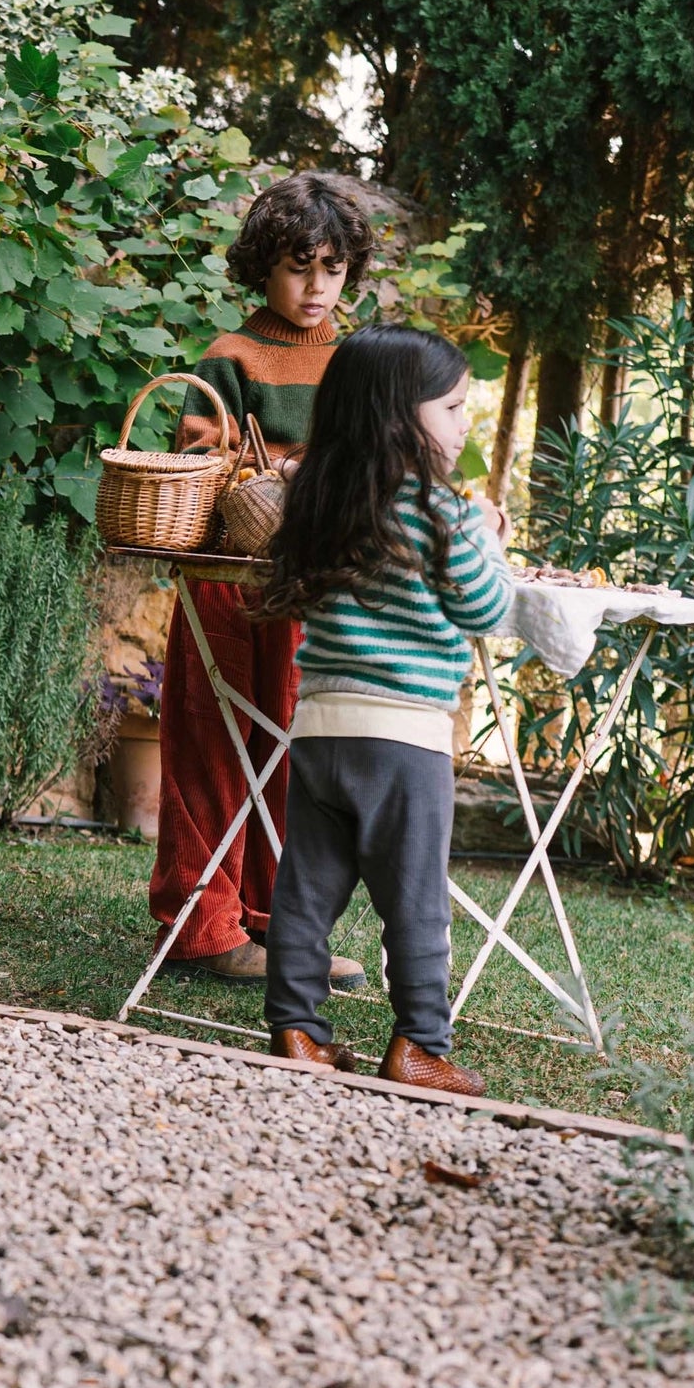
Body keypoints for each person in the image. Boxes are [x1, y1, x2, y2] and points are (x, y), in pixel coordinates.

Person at [257, 324, 514, 1096]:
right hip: (405, 739)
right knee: (415, 904)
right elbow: (488, 610)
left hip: (321, 728)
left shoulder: (317, 501)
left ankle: (298, 1030)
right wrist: (490, 539)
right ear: (400, 415)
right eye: (453, 407)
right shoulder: (444, 516)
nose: (464, 423)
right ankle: (419, 1046)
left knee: (305, 892)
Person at [147, 172, 374, 986]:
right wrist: (287, 467)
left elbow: (372, 458)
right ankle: (201, 926)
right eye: (297, 268)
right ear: (262, 268)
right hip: (228, 576)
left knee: (298, 747)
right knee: (214, 741)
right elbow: (201, 462)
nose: (316, 288)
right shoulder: (230, 356)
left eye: (333, 270)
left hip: (314, 580)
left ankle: (282, 921)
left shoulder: (357, 359)